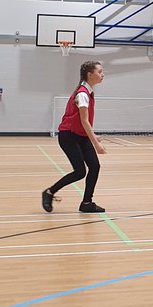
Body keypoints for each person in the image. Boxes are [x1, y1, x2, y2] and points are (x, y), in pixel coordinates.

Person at [42, 60, 108, 213]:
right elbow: (84, 121)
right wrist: (96, 144)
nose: (102, 74)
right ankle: (49, 192)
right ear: (90, 74)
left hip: (80, 135)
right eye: (99, 72)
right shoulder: (82, 94)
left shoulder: (88, 92)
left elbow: (84, 123)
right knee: (80, 172)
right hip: (68, 136)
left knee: (95, 166)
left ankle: (86, 203)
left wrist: (93, 136)